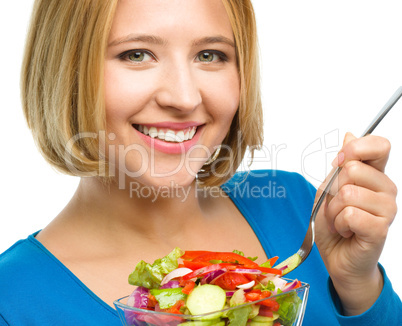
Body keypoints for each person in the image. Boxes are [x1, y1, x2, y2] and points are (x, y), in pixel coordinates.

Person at [0, 0, 400, 325]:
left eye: (210, 55)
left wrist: (358, 289)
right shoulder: (13, 300)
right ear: (66, 70)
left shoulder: (300, 210)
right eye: (136, 54)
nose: (185, 97)